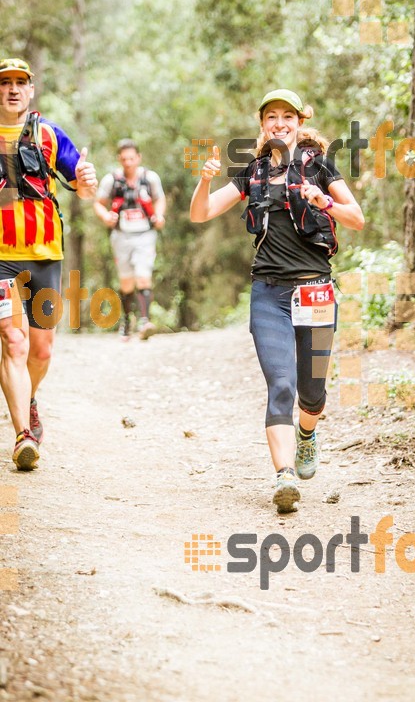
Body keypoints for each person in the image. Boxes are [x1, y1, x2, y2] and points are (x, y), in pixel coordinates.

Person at [190, 89, 364, 513]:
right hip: (268, 294)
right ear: (263, 124)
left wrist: (323, 201)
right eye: (272, 116)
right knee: (281, 385)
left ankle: (307, 435)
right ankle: (284, 474)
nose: (280, 123)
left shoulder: (320, 166)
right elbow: (201, 213)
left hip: (316, 290)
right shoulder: (251, 171)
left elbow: (356, 218)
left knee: (313, 393)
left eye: (288, 116)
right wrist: (204, 179)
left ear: (300, 122)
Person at [0, 57, 98, 470]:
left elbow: (81, 185)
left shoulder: (48, 135)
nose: (13, 89)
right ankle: (23, 434)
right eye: (5, 82)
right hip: (1, 260)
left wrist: (88, 182)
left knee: (41, 349)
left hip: (45, 255)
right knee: (14, 342)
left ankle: (29, 397)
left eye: (21, 82)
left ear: (31, 90)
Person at [94, 139, 166, 340]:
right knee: (126, 281)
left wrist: (159, 216)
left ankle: (145, 321)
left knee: (143, 276)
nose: (128, 163)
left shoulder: (149, 178)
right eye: (124, 159)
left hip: (145, 234)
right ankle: (126, 321)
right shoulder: (112, 181)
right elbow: (99, 203)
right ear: (119, 159)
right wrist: (105, 216)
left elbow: (160, 199)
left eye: (131, 159)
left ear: (139, 158)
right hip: (121, 235)